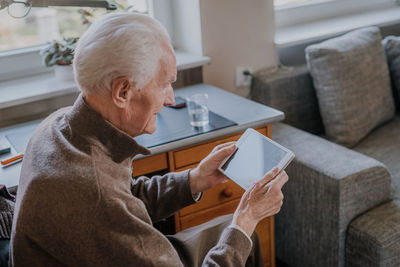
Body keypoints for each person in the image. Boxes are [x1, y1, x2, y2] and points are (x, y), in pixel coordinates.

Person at [10, 12, 288, 266]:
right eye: (164, 83)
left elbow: (125, 197)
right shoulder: (94, 196)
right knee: (241, 233)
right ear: (122, 91)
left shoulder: (57, 125)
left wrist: (195, 178)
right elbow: (108, 203)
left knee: (235, 232)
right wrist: (248, 218)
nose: (170, 98)